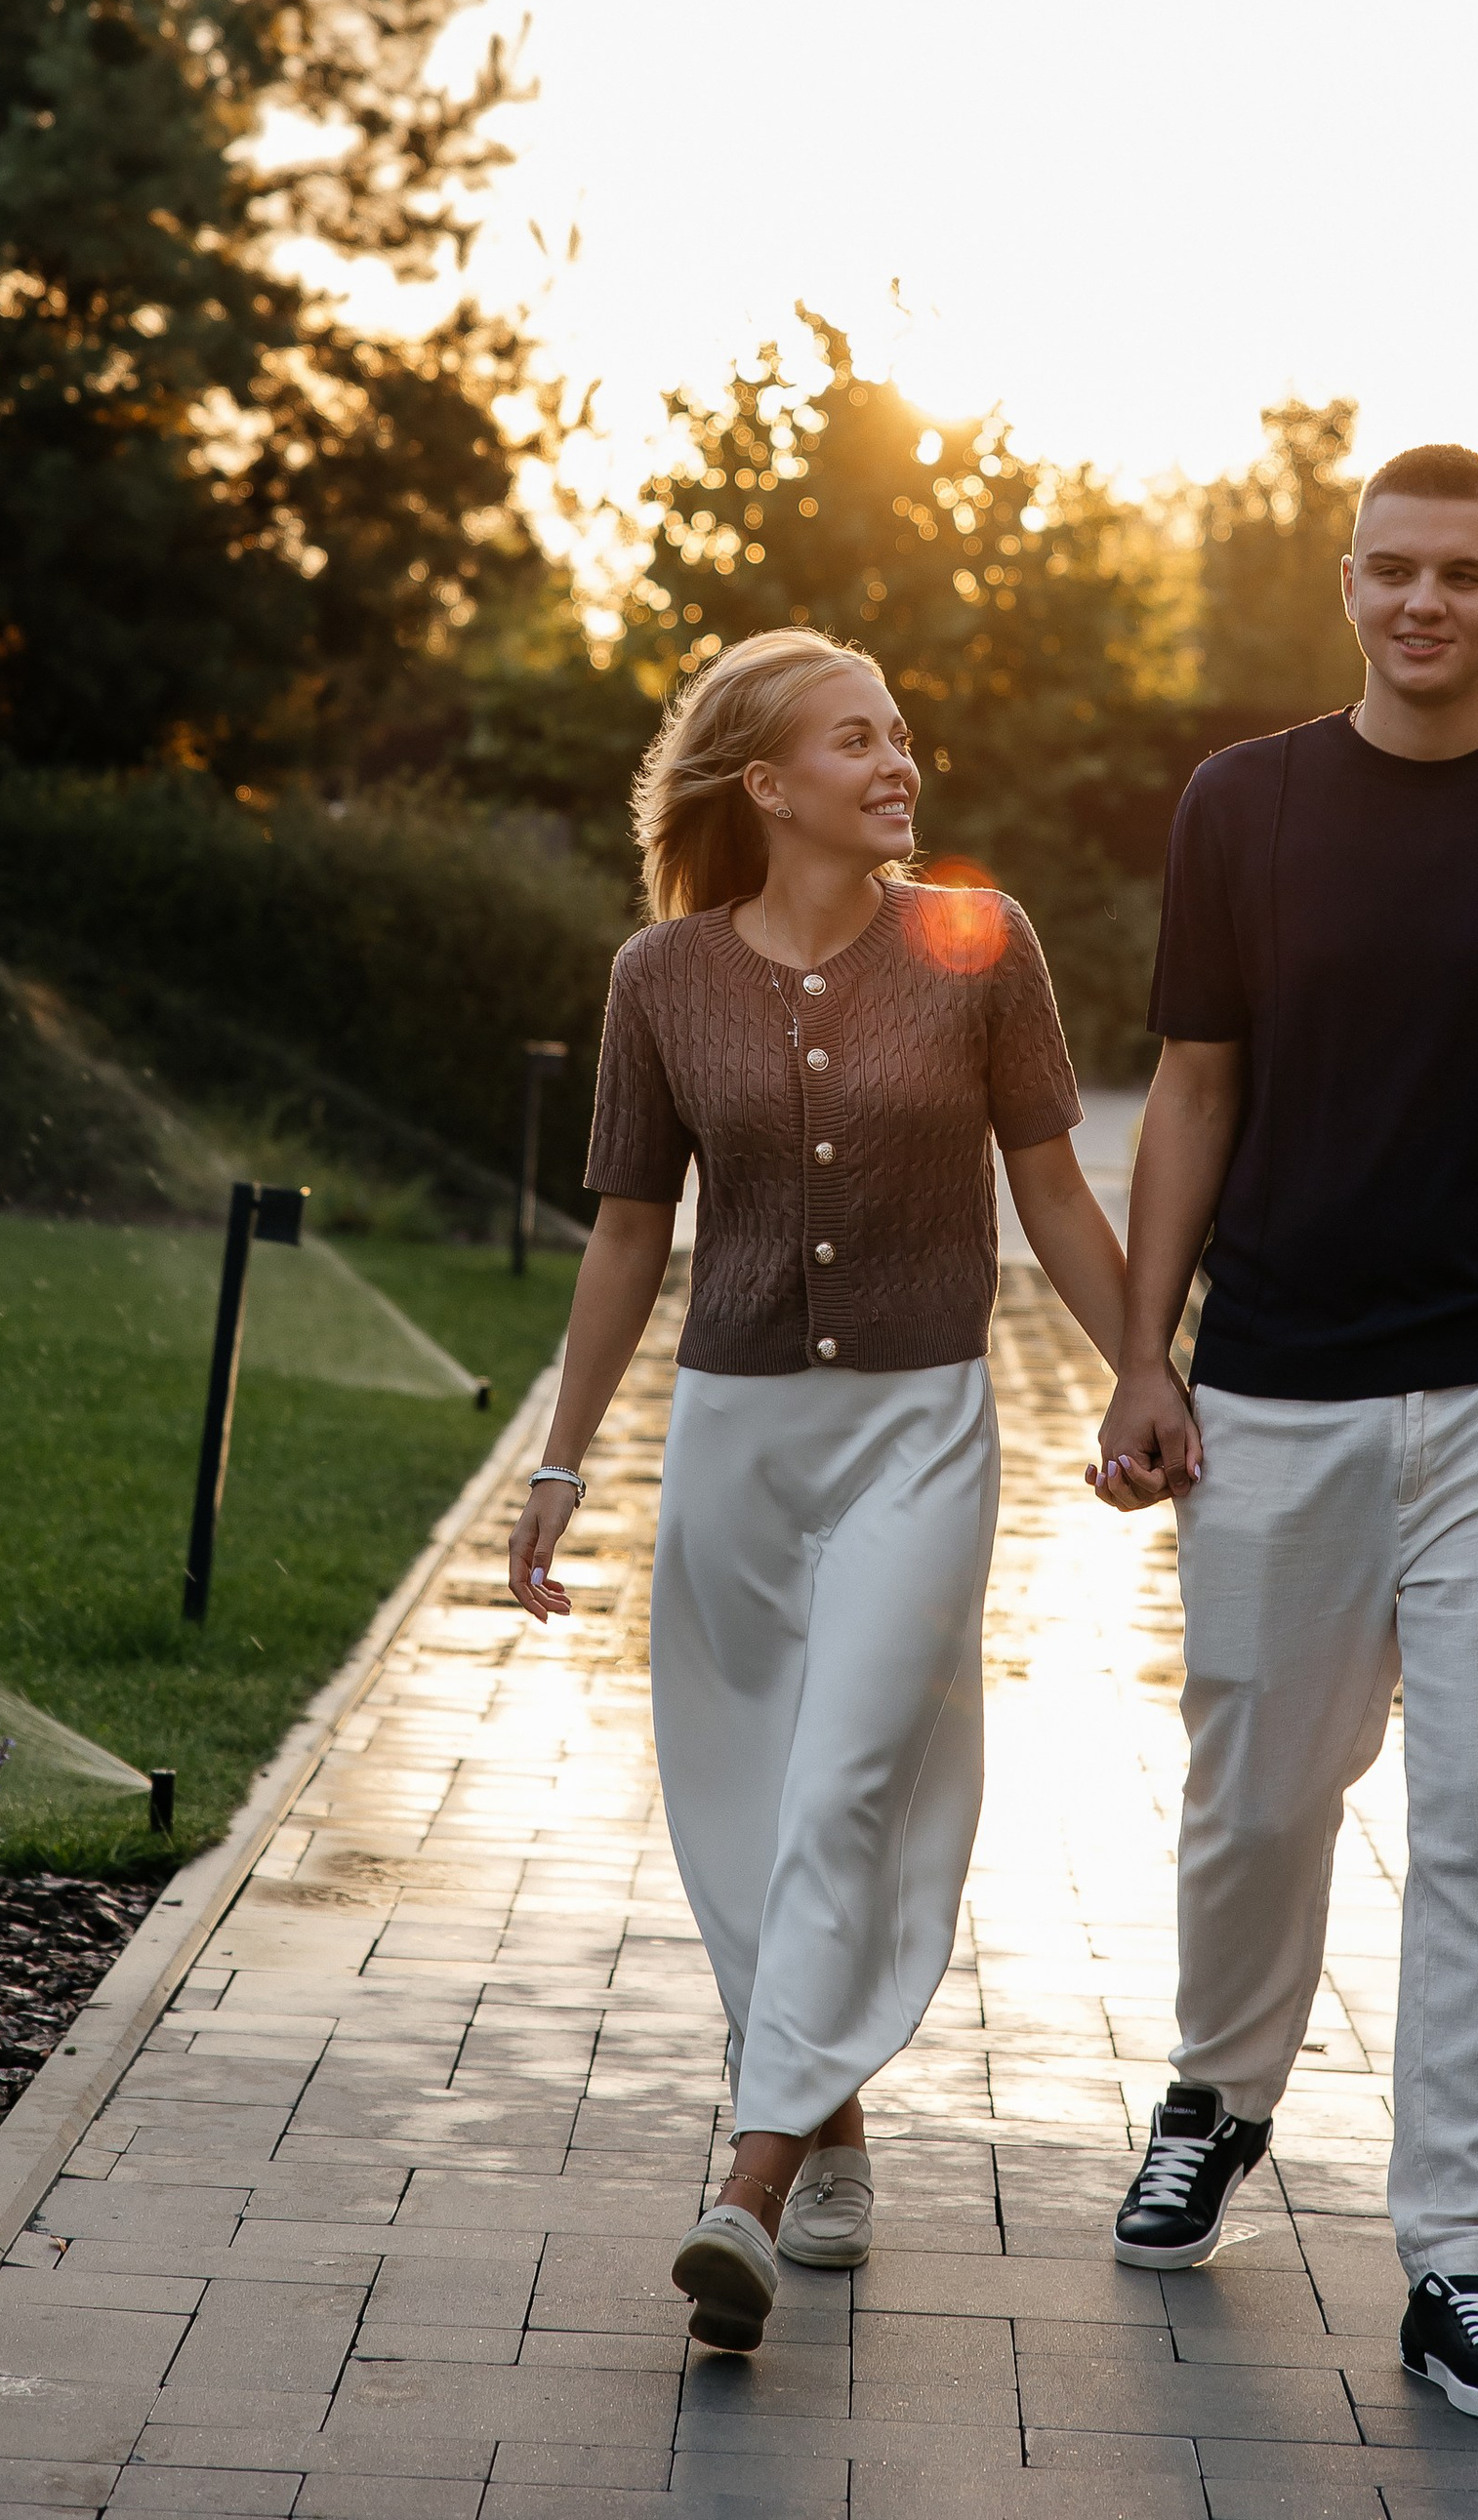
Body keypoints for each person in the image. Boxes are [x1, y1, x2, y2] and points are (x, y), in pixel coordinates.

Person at [1093, 442, 1478, 2426]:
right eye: (1391, 570)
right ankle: (1219, 2089)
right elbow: (1189, 1089)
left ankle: (1453, 2256)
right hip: (1270, 1383)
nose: (1425, 600)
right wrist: (1140, 1358)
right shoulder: (1241, 807)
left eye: (1465, 572)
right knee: (1258, 1794)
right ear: (1340, 587)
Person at [508, 628, 1127, 2356]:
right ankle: (836, 2123)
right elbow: (630, 1233)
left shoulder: (979, 945)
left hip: (923, 1430)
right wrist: (561, 1463)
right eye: (855, 740)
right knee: (742, 1815)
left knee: (854, 1778)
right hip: (734, 1442)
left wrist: (1153, 1366)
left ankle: (749, 2188)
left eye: (901, 732)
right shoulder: (661, 977)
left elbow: (1058, 1196)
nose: (896, 761)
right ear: (767, 783)